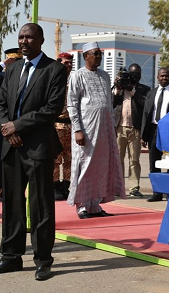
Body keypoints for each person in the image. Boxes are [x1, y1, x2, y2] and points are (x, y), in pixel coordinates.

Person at [0, 23, 67, 280]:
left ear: (41, 40)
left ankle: (43, 261)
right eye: (21, 37)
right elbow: (1, 105)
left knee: (41, 207)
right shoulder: (12, 70)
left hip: (38, 148)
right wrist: (8, 130)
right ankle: (11, 257)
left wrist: (18, 126)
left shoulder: (55, 70)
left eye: (29, 37)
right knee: (12, 204)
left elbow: (52, 108)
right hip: (10, 148)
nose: (24, 41)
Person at [67, 42, 125, 219]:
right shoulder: (77, 76)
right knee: (84, 165)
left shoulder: (105, 76)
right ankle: (82, 206)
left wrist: (111, 127)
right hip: (86, 128)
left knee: (101, 166)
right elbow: (72, 104)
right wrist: (77, 129)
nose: (99, 57)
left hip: (104, 128)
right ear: (86, 56)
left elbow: (108, 104)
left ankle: (95, 205)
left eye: (100, 54)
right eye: (95, 54)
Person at [141, 67, 169, 202]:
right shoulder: (151, 93)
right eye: (162, 76)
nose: (164, 78)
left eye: (167, 76)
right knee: (154, 162)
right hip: (154, 130)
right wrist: (143, 135)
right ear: (157, 77)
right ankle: (157, 193)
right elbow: (146, 114)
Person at [112, 63, 150, 197]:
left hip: (135, 129)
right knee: (118, 159)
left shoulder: (144, 89)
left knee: (134, 160)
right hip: (120, 128)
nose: (136, 77)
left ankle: (134, 188)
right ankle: (118, 187)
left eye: (138, 74)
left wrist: (132, 90)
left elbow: (145, 104)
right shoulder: (121, 86)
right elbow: (113, 102)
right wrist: (117, 88)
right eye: (134, 74)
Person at [0, 48, 23, 201]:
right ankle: (2, 186)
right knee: (2, 155)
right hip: (3, 123)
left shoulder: (27, 76)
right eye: (14, 61)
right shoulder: (1, 77)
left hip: (21, 122)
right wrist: (1, 65)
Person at [53, 52, 74, 200]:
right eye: (66, 62)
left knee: (70, 158)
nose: (69, 65)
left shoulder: (73, 81)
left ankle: (66, 186)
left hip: (72, 126)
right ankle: (55, 187)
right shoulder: (52, 81)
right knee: (55, 158)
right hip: (56, 125)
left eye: (70, 63)